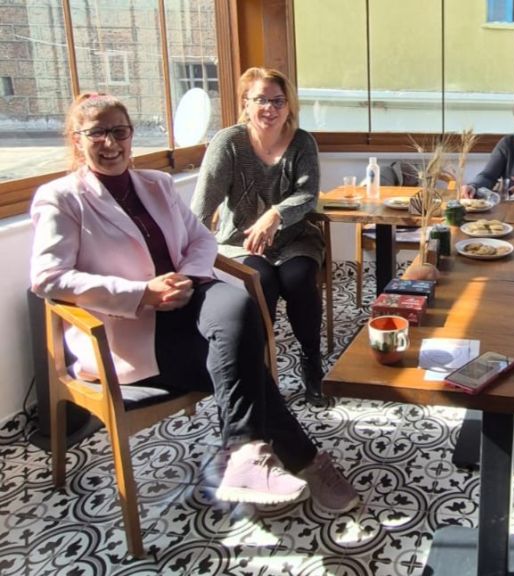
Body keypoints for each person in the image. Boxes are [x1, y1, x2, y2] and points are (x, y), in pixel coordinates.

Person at [30, 92, 358, 513]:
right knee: (245, 367)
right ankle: (299, 460)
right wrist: (142, 293)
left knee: (238, 304)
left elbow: (201, 239)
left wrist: (185, 277)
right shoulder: (61, 198)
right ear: (77, 139)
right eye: (97, 133)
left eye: (119, 131)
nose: (110, 143)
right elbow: (48, 278)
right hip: (128, 329)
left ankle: (246, 455)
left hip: (185, 302)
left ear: (131, 135)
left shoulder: (155, 184)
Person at [191, 67, 326, 406]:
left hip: (295, 238)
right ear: (245, 103)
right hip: (239, 242)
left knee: (299, 279)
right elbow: (203, 204)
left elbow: (308, 195)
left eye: (278, 100)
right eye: (261, 100)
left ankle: (312, 363)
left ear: (289, 105)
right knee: (260, 282)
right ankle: (260, 369)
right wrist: (191, 259)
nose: (270, 108)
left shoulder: (302, 142)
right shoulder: (228, 142)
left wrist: (275, 215)